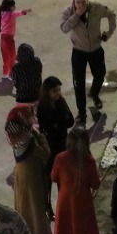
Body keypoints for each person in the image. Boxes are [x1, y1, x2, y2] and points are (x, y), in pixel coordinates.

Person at [51, 128, 103, 234]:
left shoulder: (60, 158)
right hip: (83, 203)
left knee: (66, 233)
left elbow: (54, 177)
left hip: (65, 202)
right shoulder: (89, 160)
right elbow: (95, 184)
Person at [60, 0, 116, 124]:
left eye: (83, 2)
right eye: (78, 2)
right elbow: (64, 28)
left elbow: (111, 13)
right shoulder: (68, 11)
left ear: (88, 0)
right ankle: (82, 111)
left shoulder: (96, 8)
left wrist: (109, 32)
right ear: (74, 1)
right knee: (78, 83)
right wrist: (76, 15)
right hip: (79, 51)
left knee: (100, 75)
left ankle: (94, 94)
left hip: (95, 49)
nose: (81, 5)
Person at [4, 104, 51, 234]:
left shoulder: (16, 133)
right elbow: (45, 153)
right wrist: (40, 136)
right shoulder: (27, 138)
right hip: (31, 175)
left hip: (22, 172)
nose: (32, 117)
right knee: (31, 205)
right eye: (29, 115)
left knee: (24, 203)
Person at [36, 76, 75, 218]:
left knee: (62, 177)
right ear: (47, 92)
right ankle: (48, 207)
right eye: (54, 91)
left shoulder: (61, 102)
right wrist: (59, 122)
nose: (58, 93)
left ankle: (62, 205)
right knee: (48, 177)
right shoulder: (42, 107)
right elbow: (46, 127)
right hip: (49, 147)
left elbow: (70, 121)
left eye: (59, 90)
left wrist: (57, 124)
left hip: (62, 144)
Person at [0, 0, 31, 79]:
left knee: (5, 56)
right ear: (9, 7)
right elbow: (19, 13)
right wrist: (25, 11)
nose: (15, 7)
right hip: (9, 38)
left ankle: (5, 72)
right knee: (12, 56)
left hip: (3, 38)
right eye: (13, 5)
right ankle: (11, 74)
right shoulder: (11, 14)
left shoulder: (2, 13)